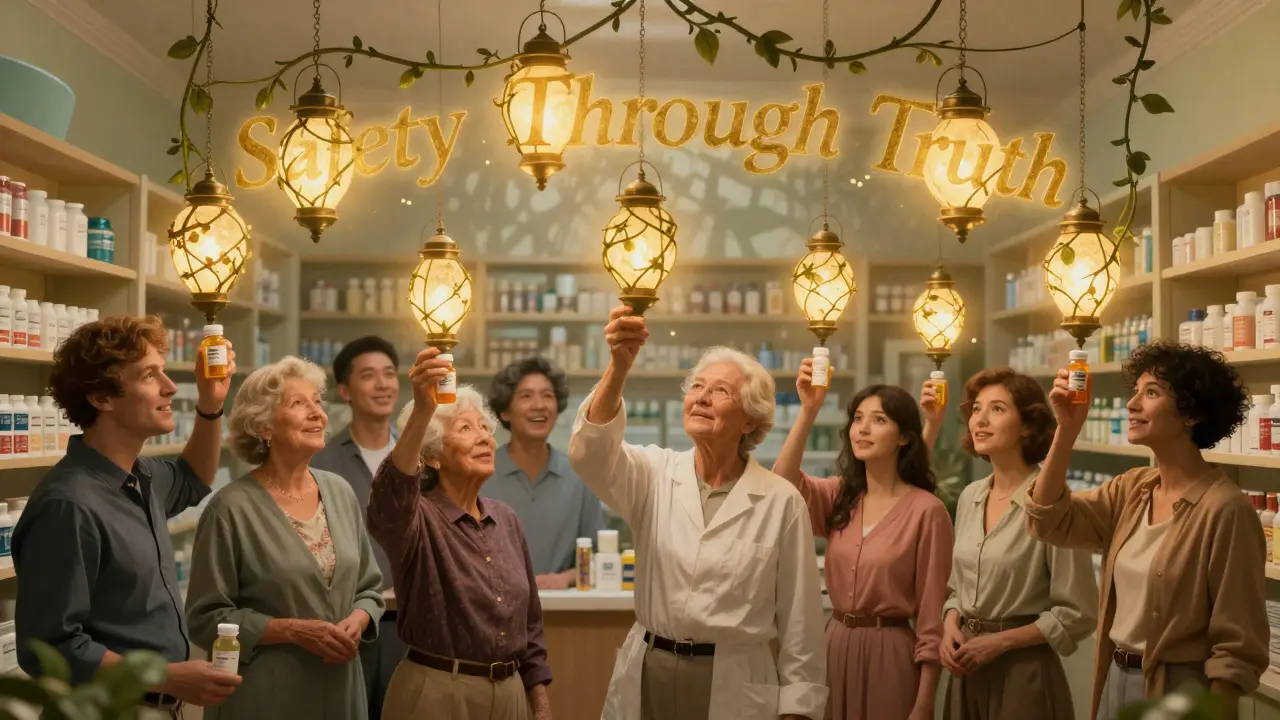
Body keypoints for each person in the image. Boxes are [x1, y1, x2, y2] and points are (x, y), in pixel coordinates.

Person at [569, 307, 826, 720]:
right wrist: (618, 367)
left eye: (721, 391)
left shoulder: (781, 501)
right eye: (697, 386)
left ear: (749, 420)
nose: (702, 397)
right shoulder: (653, 473)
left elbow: (802, 625)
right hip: (651, 667)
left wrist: (797, 711)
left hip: (734, 681)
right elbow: (590, 455)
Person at [12, 315, 242, 715]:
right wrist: (165, 676)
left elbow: (192, 479)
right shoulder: (69, 505)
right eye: (150, 375)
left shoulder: (141, 475)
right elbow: (52, 645)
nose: (170, 387)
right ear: (102, 397)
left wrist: (211, 405)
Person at [1026, 341, 1268, 720]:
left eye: (1151, 392)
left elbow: (1236, 648)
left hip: (1179, 695)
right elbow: (1047, 519)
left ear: (1191, 413)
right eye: (1135, 392)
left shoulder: (1225, 510)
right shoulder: (1133, 489)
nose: (1132, 404)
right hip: (1113, 677)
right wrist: (1067, 430)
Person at [185, 357, 386, 719]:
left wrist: (359, 619)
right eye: (298, 404)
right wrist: (289, 630)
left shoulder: (339, 492)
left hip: (341, 693)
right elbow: (204, 619)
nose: (317, 414)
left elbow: (369, 588)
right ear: (263, 426)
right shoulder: (230, 508)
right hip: (265, 697)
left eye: (317, 402)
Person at [368, 347, 552, 720]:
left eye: (486, 428)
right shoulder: (417, 517)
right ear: (433, 456)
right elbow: (389, 497)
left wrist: (540, 707)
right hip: (438, 693)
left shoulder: (506, 519)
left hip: (511, 694)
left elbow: (530, 627)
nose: (485, 438)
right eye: (466, 429)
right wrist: (423, 410)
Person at [773, 359, 952, 720]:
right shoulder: (842, 496)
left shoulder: (927, 511)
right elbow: (783, 485)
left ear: (904, 437)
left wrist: (925, 700)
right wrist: (809, 411)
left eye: (879, 420)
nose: (863, 429)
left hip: (892, 655)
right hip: (834, 647)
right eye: (857, 418)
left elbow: (933, 616)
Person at [921, 368, 1097, 720]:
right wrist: (950, 625)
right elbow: (958, 587)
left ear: (1029, 425)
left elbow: (1076, 613)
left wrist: (1000, 642)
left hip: (1024, 674)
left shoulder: (1052, 505)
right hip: (966, 668)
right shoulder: (972, 496)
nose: (981, 419)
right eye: (976, 410)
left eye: (997, 409)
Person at [311, 335, 402, 717]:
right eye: (369, 376)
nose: (383, 384)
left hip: (407, 626)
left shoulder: (421, 459)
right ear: (345, 391)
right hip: (343, 627)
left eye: (389, 374)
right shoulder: (320, 461)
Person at [484, 356, 606, 589]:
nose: (539, 405)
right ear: (505, 412)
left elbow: (599, 556)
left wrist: (565, 579)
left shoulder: (580, 475)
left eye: (547, 395)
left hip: (564, 613)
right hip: (492, 610)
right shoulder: (481, 474)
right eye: (526, 396)